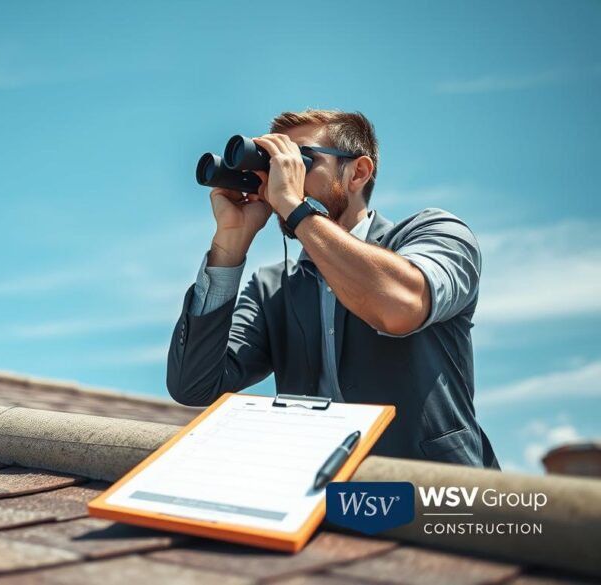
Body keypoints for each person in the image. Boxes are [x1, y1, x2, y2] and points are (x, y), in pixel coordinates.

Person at [167, 109, 497, 468]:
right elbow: (194, 386)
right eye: (276, 162)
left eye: (300, 160)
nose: (283, 176)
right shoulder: (273, 288)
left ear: (358, 172)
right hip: (321, 498)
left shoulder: (435, 234)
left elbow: (400, 308)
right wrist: (230, 244)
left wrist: (295, 208)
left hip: (434, 496)